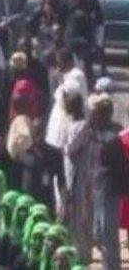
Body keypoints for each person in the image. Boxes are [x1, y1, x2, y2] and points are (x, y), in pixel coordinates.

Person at [66, 94, 125, 269]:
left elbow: (119, 161)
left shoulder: (114, 134)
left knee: (108, 232)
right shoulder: (90, 131)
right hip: (92, 186)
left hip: (109, 189)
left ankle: (111, 266)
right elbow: (72, 150)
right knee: (97, 232)